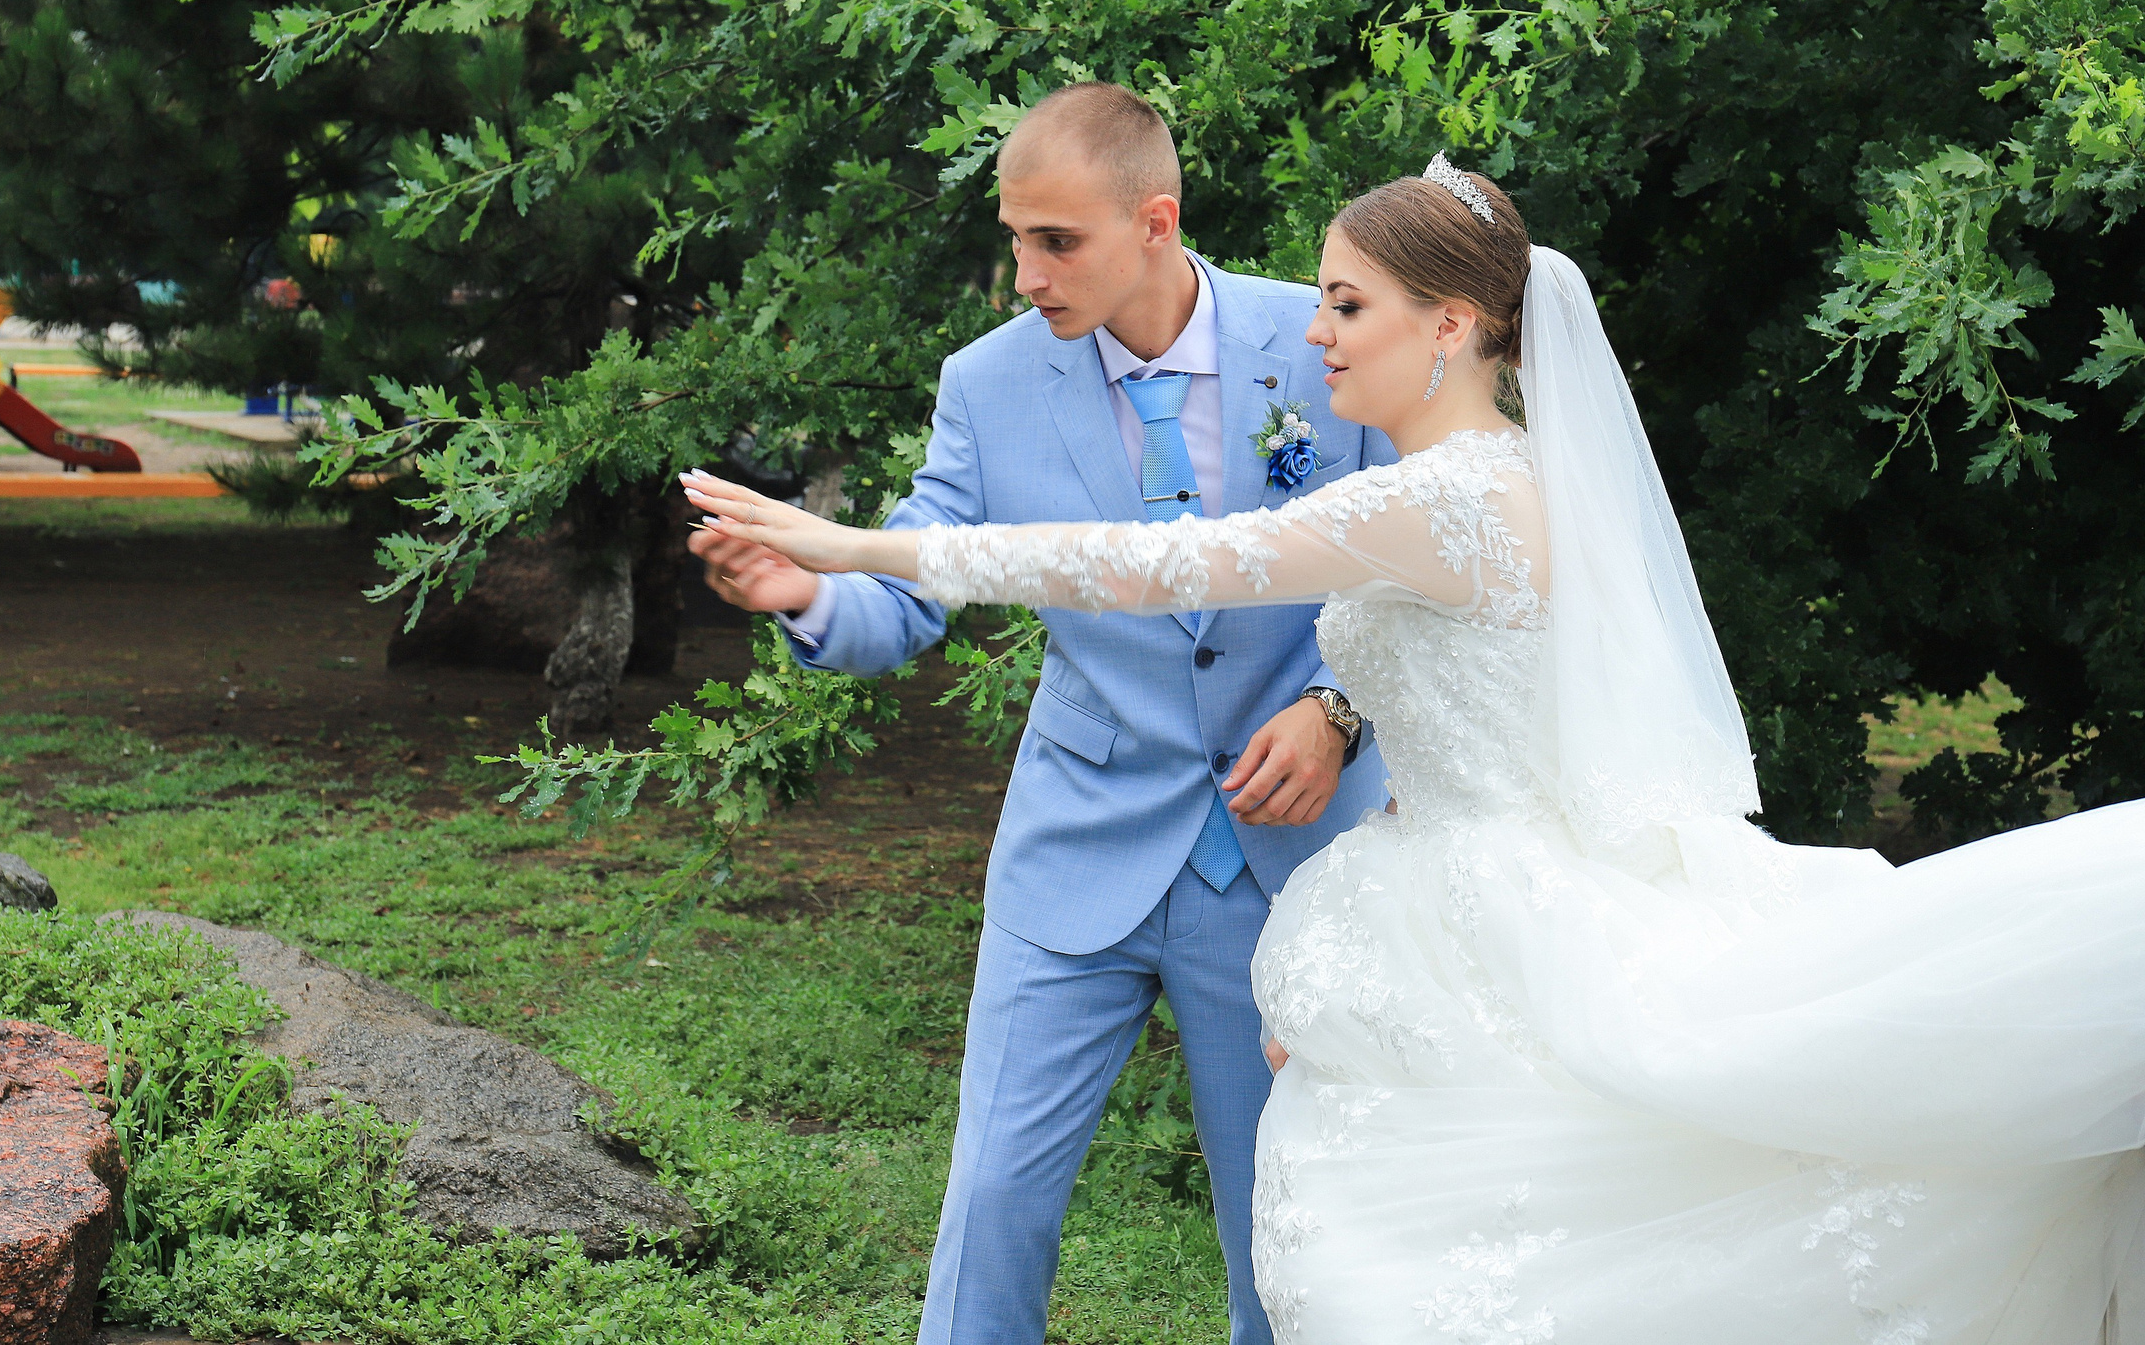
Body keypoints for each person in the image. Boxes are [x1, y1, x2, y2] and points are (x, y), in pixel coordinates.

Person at [684, 157, 2145, 1343]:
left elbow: (1158, 561)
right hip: (1431, 883)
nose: (1316, 332)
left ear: (1449, 324)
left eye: (1346, 303)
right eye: (1319, 301)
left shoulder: (1447, 500)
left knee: (1419, 1267)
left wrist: (854, 537)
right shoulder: (1487, 480)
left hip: (1487, 909)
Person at [689, 82, 1395, 1345]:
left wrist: (1338, 709)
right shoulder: (988, 383)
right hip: (1076, 841)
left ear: (1154, 221)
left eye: (1054, 240)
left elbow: (1411, 573)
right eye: (1014, 237)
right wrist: (810, 590)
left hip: (1288, 860)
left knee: (1280, 1223)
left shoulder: (1326, 336)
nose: (1025, 272)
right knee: (994, 1197)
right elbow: (912, 583)